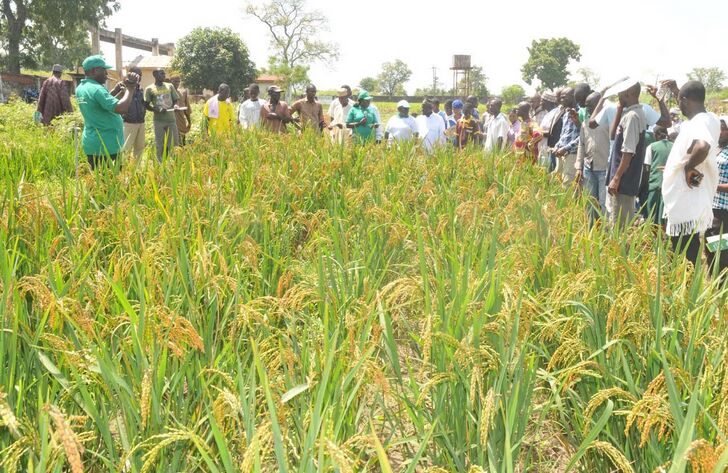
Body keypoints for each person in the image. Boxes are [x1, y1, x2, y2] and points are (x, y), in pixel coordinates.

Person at [661, 80, 721, 266]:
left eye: (680, 101)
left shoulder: (700, 122)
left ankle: (687, 290)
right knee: (690, 246)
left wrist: (687, 167)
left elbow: (702, 146)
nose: (679, 106)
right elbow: (694, 108)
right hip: (692, 197)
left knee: (685, 250)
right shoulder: (710, 118)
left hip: (686, 199)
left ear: (685, 101)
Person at [75, 55, 139, 169]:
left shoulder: (82, 87)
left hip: (93, 143)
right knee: (110, 184)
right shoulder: (97, 89)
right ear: (95, 71)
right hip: (106, 145)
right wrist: (131, 88)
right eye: (104, 70)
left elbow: (99, 104)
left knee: (96, 182)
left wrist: (115, 91)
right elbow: (121, 108)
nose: (106, 73)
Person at [606, 81, 647, 229]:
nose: (618, 95)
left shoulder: (632, 116)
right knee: (620, 224)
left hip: (623, 182)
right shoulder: (633, 113)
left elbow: (628, 151)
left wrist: (616, 178)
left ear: (627, 93)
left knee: (619, 228)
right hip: (624, 181)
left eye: (620, 92)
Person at [575, 92, 610, 222]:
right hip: (588, 168)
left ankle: (606, 236)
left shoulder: (608, 121)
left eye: (590, 105)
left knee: (604, 205)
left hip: (604, 170)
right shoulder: (585, 123)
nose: (587, 108)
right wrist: (579, 167)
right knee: (589, 203)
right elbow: (581, 145)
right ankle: (591, 232)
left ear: (599, 104)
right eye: (586, 106)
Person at [705, 117, 728, 275]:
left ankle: (719, 285)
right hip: (710, 209)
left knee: (719, 251)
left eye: (723, 129)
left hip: (722, 212)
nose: (719, 132)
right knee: (710, 249)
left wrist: (712, 186)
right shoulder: (715, 149)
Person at [144, 68, 179, 161]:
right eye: (162, 74)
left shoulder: (170, 86)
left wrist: (175, 105)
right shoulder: (149, 89)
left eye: (164, 74)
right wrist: (156, 109)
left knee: (174, 143)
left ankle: (174, 163)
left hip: (171, 120)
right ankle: (160, 164)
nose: (164, 76)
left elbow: (175, 99)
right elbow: (146, 105)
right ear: (155, 75)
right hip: (159, 121)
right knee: (160, 144)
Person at [643, 126, 673, 224]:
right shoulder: (674, 146)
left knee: (652, 214)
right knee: (665, 216)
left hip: (655, 184)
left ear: (655, 135)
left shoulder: (652, 146)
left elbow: (647, 168)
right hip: (670, 185)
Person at [119, 67, 151, 159]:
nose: (138, 77)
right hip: (129, 123)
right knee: (126, 148)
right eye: (136, 75)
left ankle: (136, 170)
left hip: (141, 122)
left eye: (140, 75)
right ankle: (123, 170)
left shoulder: (140, 89)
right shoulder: (123, 86)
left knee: (140, 148)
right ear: (130, 74)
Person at [553, 87, 581, 185]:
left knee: (568, 184)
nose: (561, 100)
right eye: (560, 97)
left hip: (572, 153)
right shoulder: (566, 113)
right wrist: (557, 146)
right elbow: (563, 135)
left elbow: (582, 136)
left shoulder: (580, 112)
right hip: (562, 153)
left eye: (564, 97)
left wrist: (566, 148)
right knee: (557, 181)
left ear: (573, 97)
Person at [538, 91, 560, 168]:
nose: (540, 103)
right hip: (543, 148)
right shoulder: (547, 113)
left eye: (542, 101)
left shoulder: (556, 113)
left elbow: (554, 132)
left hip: (550, 148)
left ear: (548, 101)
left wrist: (540, 134)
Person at [170, 76, 191, 146]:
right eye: (175, 81)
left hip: (181, 121)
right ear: (171, 81)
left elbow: (187, 109)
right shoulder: (167, 93)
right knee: (172, 144)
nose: (177, 83)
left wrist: (189, 122)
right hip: (170, 121)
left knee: (182, 144)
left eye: (178, 81)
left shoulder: (183, 92)